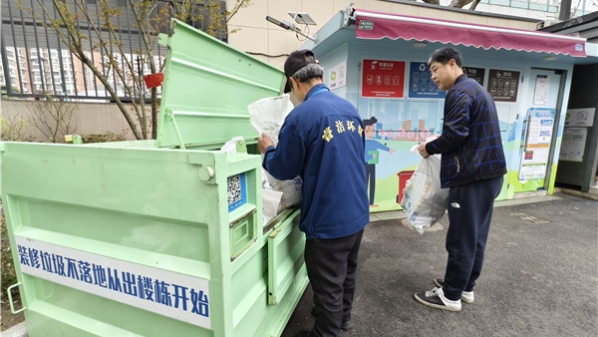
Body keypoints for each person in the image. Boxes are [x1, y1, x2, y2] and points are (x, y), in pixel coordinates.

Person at [257, 49, 369, 337]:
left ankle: (326, 333)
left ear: (294, 82)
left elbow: (283, 167)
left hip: (329, 220)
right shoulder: (349, 110)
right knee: (346, 273)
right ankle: (343, 319)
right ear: (319, 76)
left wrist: (268, 149)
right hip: (356, 212)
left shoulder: (301, 115)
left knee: (328, 282)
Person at [414, 47, 506, 312]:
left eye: (434, 69)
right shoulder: (477, 89)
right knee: (476, 237)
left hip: (471, 178)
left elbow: (455, 134)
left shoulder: (458, 92)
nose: (432, 76)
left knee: (460, 239)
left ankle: (450, 295)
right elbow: (466, 134)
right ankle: (465, 286)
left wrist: (428, 148)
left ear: (452, 64)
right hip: (490, 176)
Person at [363, 116, 396, 207]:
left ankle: (371, 203)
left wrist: (389, 150)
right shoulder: (363, 142)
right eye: (369, 129)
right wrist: (370, 156)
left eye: (373, 130)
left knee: (372, 182)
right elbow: (361, 154)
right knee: (365, 182)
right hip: (366, 164)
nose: (372, 132)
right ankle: (364, 202)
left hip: (373, 163)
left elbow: (381, 146)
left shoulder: (373, 142)